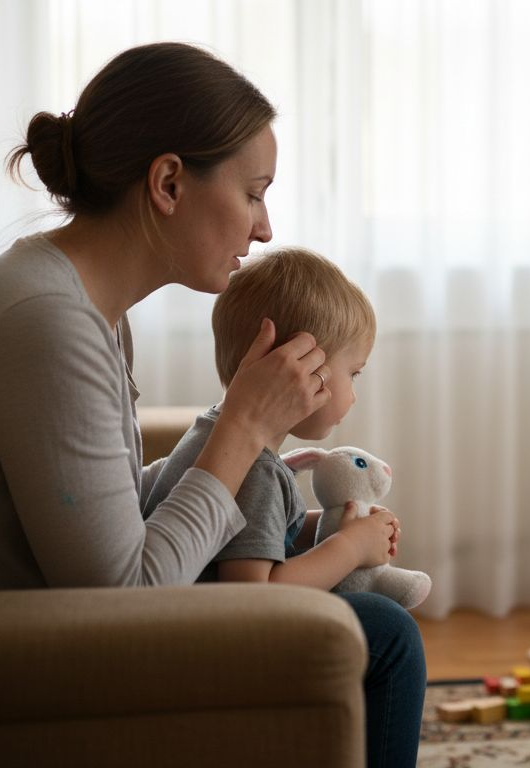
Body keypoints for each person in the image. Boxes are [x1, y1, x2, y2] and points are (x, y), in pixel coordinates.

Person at [0, 42, 424, 767]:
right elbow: (128, 597)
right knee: (382, 637)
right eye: (254, 192)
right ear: (169, 181)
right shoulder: (47, 323)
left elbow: (103, 518)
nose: (264, 228)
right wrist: (240, 428)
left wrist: (240, 461)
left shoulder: (84, 310)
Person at [141, 246, 425, 767]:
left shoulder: (214, 431)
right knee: (393, 633)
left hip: (179, 628)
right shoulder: (258, 469)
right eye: (353, 374)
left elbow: (237, 542)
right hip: (207, 649)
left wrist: (321, 524)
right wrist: (348, 547)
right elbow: (254, 598)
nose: (354, 395)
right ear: (303, 368)